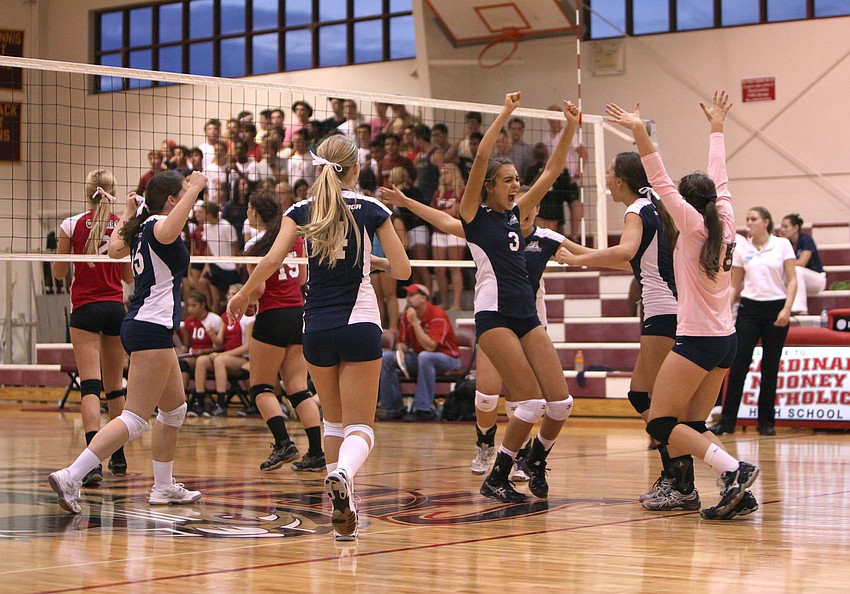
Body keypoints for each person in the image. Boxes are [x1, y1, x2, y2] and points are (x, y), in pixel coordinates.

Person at [227, 135, 410, 540]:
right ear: (356, 169)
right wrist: (376, 261)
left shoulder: (300, 210)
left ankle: (341, 513)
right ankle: (344, 473)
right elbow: (403, 271)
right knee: (361, 427)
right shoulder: (373, 209)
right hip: (359, 322)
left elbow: (272, 260)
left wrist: (243, 294)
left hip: (316, 328)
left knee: (333, 420)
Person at [606, 92, 760, 520]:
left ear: (687, 205)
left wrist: (639, 131)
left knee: (659, 421)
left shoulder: (691, 225)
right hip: (725, 340)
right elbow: (720, 176)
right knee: (690, 427)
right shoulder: (725, 219)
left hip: (697, 341)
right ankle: (738, 491)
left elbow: (657, 175)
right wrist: (717, 128)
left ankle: (734, 469)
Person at [380, 184, 573, 482]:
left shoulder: (546, 240)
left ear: (535, 208)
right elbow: (444, 222)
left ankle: (520, 459)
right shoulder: (489, 228)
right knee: (485, 396)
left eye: (527, 198)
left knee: (528, 402)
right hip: (495, 318)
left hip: (530, 323)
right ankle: (485, 443)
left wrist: (632, 261)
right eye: (511, 187)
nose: (520, 200)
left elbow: (591, 254)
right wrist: (407, 202)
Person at [49, 170, 207, 514]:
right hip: (149, 326)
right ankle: (71, 475)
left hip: (148, 326)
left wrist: (129, 211)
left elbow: (113, 250)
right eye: (180, 194)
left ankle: (164, 486)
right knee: (136, 417)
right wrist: (193, 189)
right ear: (170, 200)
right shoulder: (156, 226)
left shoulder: (141, 226)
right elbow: (166, 229)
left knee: (174, 409)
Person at [455, 92, 579, 504]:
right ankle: (497, 476)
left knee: (560, 404)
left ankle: (536, 461)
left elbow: (553, 170)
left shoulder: (515, 214)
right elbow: (481, 158)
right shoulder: (473, 215)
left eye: (516, 180)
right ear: (489, 186)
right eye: (508, 180)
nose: (516, 185)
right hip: (494, 316)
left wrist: (571, 127)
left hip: (527, 314)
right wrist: (504, 112)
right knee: (528, 404)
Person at [555, 151, 682, 509]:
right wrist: (568, 247)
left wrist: (578, 261)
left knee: (659, 404)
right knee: (641, 396)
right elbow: (637, 263)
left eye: (609, 171)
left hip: (662, 313)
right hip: (666, 311)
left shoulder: (636, 210)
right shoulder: (651, 207)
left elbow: (625, 252)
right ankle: (675, 476)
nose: (606, 177)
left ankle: (683, 480)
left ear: (621, 180)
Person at [52, 169, 134, 485]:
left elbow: (59, 273)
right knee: (115, 386)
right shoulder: (121, 226)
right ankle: (119, 456)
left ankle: (92, 462)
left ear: (87, 192)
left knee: (90, 385)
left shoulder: (70, 225)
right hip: (114, 309)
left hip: (84, 310)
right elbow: (128, 277)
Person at [241, 188, 327, 472]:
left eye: (248, 209)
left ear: (255, 212)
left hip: (272, 316)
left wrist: (246, 298)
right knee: (297, 387)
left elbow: (260, 288)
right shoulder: (295, 239)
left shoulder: (255, 243)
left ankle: (283, 443)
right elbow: (302, 277)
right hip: (298, 314)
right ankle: (316, 452)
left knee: (261, 386)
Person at [710, 206, 796, 436]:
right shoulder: (742, 248)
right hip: (749, 309)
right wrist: (723, 310)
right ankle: (727, 421)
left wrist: (787, 309)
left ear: (766, 222)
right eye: (747, 219)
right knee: (738, 365)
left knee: (770, 366)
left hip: (776, 308)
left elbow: (792, 280)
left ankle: (766, 422)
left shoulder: (782, 245)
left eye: (754, 219)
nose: (749, 222)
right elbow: (735, 284)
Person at [377, 283, 461, 421]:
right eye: (407, 295)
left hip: (448, 358)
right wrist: (401, 352)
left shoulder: (438, 315)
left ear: (423, 298)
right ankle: (391, 408)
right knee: (387, 358)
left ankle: (423, 409)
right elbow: (402, 341)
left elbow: (430, 347)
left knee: (425, 356)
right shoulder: (407, 315)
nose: (408, 298)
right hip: (421, 357)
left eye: (411, 295)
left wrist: (415, 323)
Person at [192, 284, 254, 417]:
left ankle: (221, 405)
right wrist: (212, 335)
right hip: (227, 356)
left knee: (220, 360)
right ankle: (200, 403)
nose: (229, 296)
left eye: (232, 293)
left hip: (243, 357)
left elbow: (247, 346)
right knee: (202, 361)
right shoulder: (225, 316)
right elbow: (220, 342)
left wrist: (222, 354)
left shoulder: (249, 318)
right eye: (228, 294)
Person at [430, 162, 467, 312]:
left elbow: (456, 211)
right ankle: (445, 302)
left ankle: (456, 303)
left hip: (455, 232)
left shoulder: (462, 191)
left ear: (454, 174)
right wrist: (445, 214)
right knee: (439, 270)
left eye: (446, 173)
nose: (443, 176)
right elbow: (433, 212)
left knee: (455, 269)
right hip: (438, 233)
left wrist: (441, 215)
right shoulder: (438, 192)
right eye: (442, 173)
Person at [181, 290, 224, 417]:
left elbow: (221, 347)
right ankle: (180, 402)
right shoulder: (189, 322)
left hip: (211, 356)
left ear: (202, 305)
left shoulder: (214, 319)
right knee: (181, 364)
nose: (190, 309)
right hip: (194, 356)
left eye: (194, 305)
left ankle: (200, 402)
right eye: (188, 306)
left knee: (201, 361)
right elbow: (186, 345)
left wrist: (203, 351)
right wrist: (181, 351)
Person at [779, 213, 826, 315]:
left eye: (785, 226)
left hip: (817, 279)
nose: (782, 230)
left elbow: (801, 262)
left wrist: (786, 262)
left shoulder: (806, 240)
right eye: (781, 226)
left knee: (796, 270)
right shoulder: (786, 243)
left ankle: (800, 309)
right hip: (801, 280)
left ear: (796, 227)